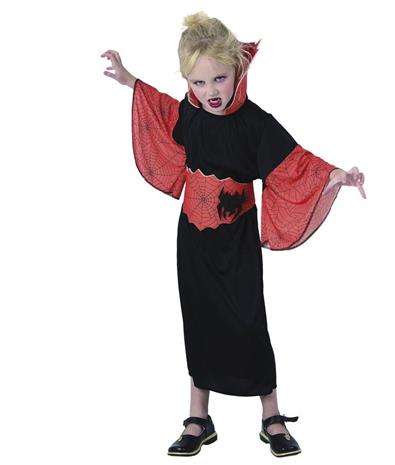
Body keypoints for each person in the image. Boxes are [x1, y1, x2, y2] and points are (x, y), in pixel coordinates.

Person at [101, 10, 366, 458]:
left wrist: (336, 175)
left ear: (238, 71)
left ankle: (271, 415)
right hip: (193, 238)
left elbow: (295, 162)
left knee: (248, 319)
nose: (210, 91)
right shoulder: (189, 112)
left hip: (236, 239)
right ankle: (198, 417)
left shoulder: (255, 124)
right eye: (199, 82)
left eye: (219, 79)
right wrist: (129, 79)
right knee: (199, 318)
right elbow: (163, 108)